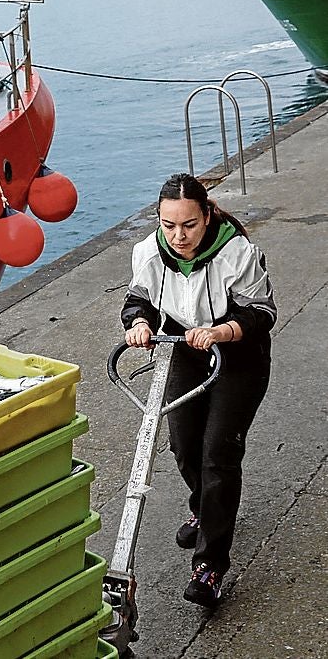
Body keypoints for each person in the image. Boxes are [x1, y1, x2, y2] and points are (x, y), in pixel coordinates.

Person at [121, 173, 276, 608]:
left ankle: (210, 566)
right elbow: (139, 300)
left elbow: (263, 312)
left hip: (238, 352)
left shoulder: (237, 253)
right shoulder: (148, 252)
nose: (179, 236)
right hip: (186, 350)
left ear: (206, 216)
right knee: (184, 446)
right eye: (169, 225)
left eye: (188, 225)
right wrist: (138, 324)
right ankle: (204, 507)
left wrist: (223, 330)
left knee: (218, 456)